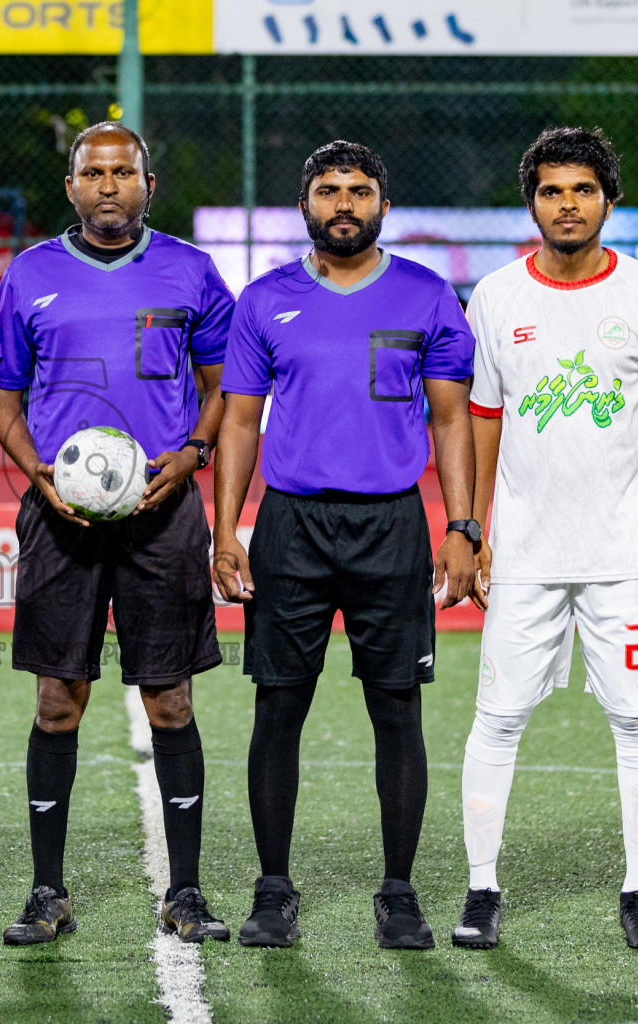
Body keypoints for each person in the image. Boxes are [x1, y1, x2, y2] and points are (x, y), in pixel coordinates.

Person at [213, 140, 478, 950]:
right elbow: (237, 421)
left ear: (383, 206)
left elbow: (451, 418)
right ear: (306, 205)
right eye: (328, 190)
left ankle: (399, 894)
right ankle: (272, 892)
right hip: (291, 525)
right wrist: (227, 528)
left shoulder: (429, 296)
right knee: (278, 708)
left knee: (397, 709)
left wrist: (462, 526)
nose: (343, 204)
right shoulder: (264, 301)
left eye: (359, 190)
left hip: (392, 524)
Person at [452, 127, 638, 952]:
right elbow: (482, 420)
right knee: (498, 719)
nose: (568, 204)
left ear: (608, 200)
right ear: (532, 202)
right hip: (523, 553)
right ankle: (483, 889)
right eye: (553, 190)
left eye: (583, 190)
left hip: (624, 555)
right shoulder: (494, 298)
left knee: (637, 720)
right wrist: (475, 527)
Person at [0, 121, 236, 945]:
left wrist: (193, 452)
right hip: (60, 518)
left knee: (170, 698)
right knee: (59, 701)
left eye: (122, 172)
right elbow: (3, 398)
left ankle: (189, 891)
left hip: (162, 515)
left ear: (148, 185)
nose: (107, 186)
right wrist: (37, 475)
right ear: (71, 186)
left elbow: (224, 389)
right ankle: (46, 889)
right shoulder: (29, 274)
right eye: (92, 172)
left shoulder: (192, 272)